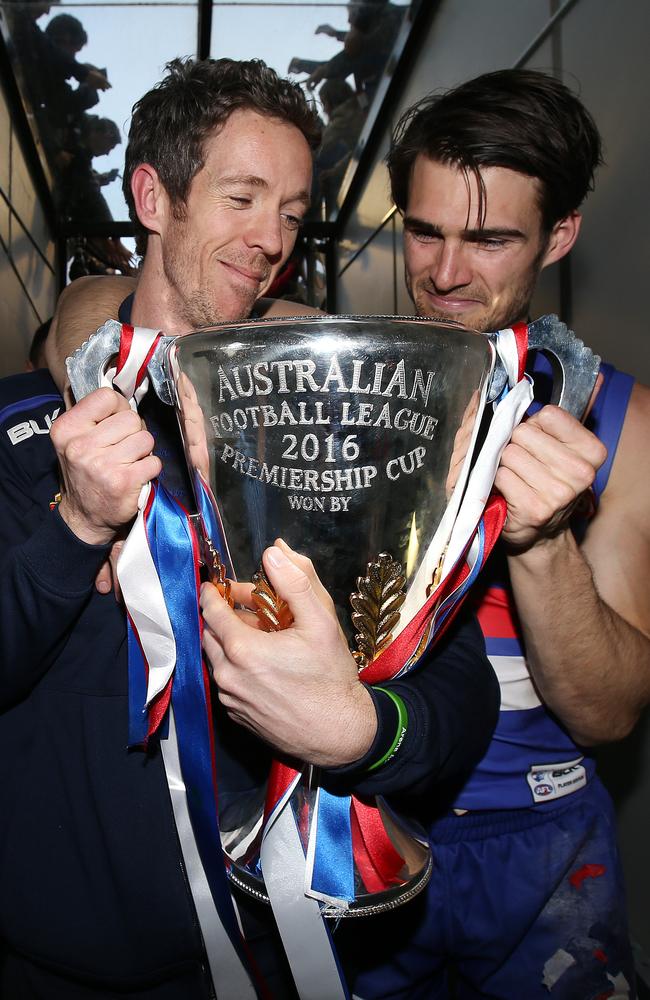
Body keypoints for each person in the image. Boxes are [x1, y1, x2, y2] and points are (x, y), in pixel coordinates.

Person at [0, 57, 498, 998]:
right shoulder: (23, 435)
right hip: (54, 968)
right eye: (242, 197)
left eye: (294, 212)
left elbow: (459, 683)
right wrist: (71, 530)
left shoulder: (343, 436)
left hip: (289, 956)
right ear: (153, 196)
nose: (272, 240)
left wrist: (363, 734)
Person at [339, 69, 650, 999]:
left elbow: (610, 711)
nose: (444, 273)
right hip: (370, 818)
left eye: (490, 239)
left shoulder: (623, 425)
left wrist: (545, 541)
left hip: (544, 839)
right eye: (424, 230)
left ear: (559, 237)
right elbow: (134, 311)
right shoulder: (341, 384)